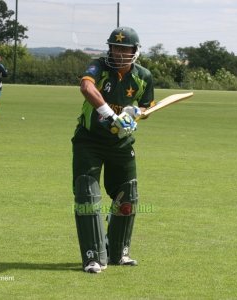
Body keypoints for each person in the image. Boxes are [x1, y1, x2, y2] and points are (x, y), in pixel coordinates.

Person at [72, 26, 155, 273]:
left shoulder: (144, 76)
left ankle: (119, 252)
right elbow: (87, 88)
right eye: (114, 47)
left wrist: (132, 117)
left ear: (134, 51)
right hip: (90, 140)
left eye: (124, 48)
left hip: (121, 144)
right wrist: (110, 114)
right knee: (87, 194)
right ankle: (93, 257)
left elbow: (145, 108)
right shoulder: (99, 67)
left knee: (128, 194)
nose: (118, 52)